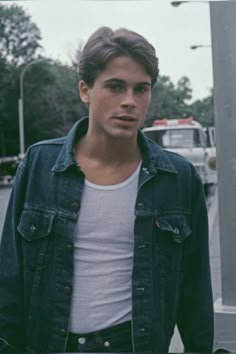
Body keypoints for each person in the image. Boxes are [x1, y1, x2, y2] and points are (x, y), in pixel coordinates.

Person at [0, 26, 213, 353]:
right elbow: (9, 283)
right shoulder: (40, 164)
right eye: (115, 87)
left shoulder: (178, 179)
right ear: (85, 90)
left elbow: (195, 295)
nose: (129, 102)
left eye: (141, 89)